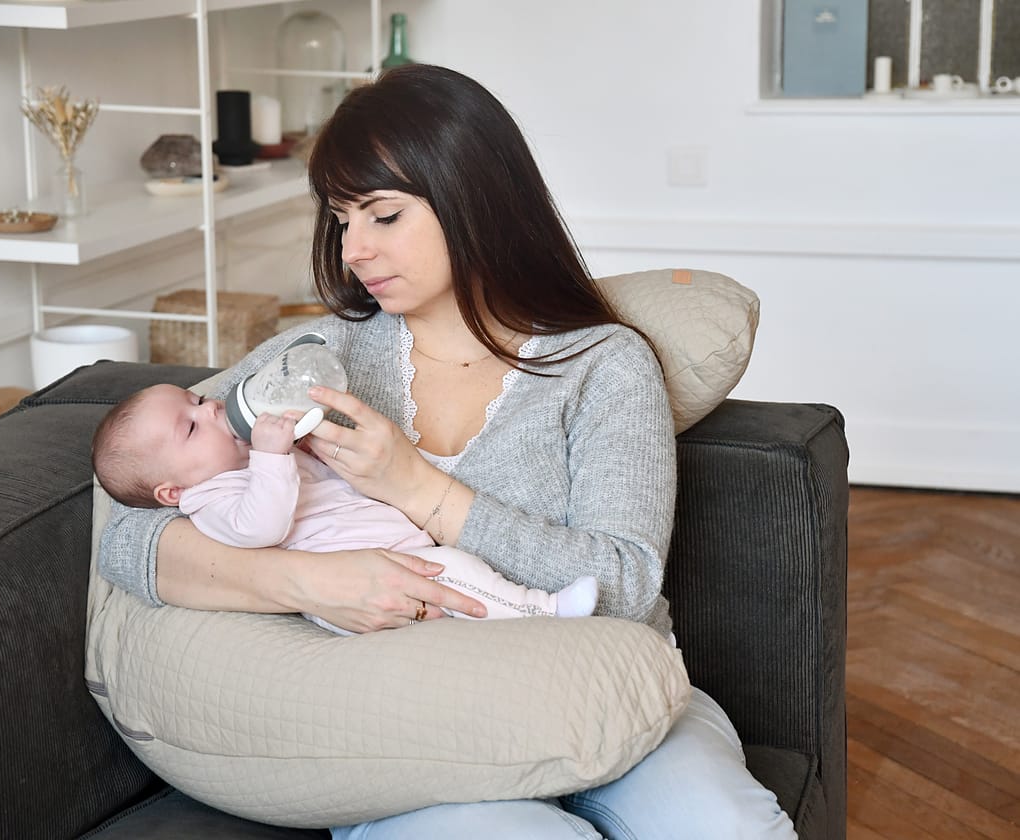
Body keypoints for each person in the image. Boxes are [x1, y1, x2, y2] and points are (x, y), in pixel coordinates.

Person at [99, 64, 797, 838]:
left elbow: (624, 584)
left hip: (606, 687)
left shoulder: (600, 364)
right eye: (341, 219)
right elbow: (130, 528)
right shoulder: (318, 357)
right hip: (418, 714)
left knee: (727, 829)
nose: (355, 249)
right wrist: (312, 581)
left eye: (383, 216)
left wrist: (419, 489)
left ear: (473, 199)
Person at [91, 382, 599, 634]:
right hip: (379, 580)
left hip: (397, 550)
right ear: (171, 492)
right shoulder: (211, 498)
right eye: (192, 426)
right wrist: (273, 455)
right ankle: (545, 612)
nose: (211, 408)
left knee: (460, 581)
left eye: (197, 399)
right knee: (460, 574)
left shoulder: (242, 458)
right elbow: (260, 525)